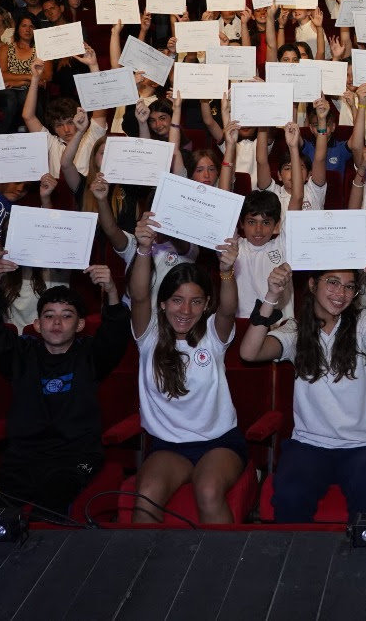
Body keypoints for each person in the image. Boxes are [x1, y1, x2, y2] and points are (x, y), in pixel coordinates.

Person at [241, 261, 366, 522]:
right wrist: (271, 296)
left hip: (363, 445)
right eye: (333, 282)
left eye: (349, 287)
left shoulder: (362, 321)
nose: (341, 293)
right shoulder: (295, 329)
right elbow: (249, 353)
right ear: (313, 284)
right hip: (310, 445)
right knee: (290, 496)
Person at [0, 259, 131, 515]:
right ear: (37, 324)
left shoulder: (91, 355)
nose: (57, 322)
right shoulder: (21, 355)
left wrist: (112, 290)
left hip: (76, 458)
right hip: (22, 459)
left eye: (66, 316)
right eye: (49, 316)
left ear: (80, 324)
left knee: (49, 507)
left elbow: (115, 334)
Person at [127, 213, 245, 525]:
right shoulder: (148, 336)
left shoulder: (213, 336)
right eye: (177, 300)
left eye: (195, 302)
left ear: (206, 305)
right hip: (168, 446)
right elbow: (139, 295)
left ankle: (225, 559)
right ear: (162, 303)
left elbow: (228, 310)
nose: (185, 310)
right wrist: (143, 249)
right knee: (146, 494)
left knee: (208, 490)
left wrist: (226, 271)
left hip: (219, 442)